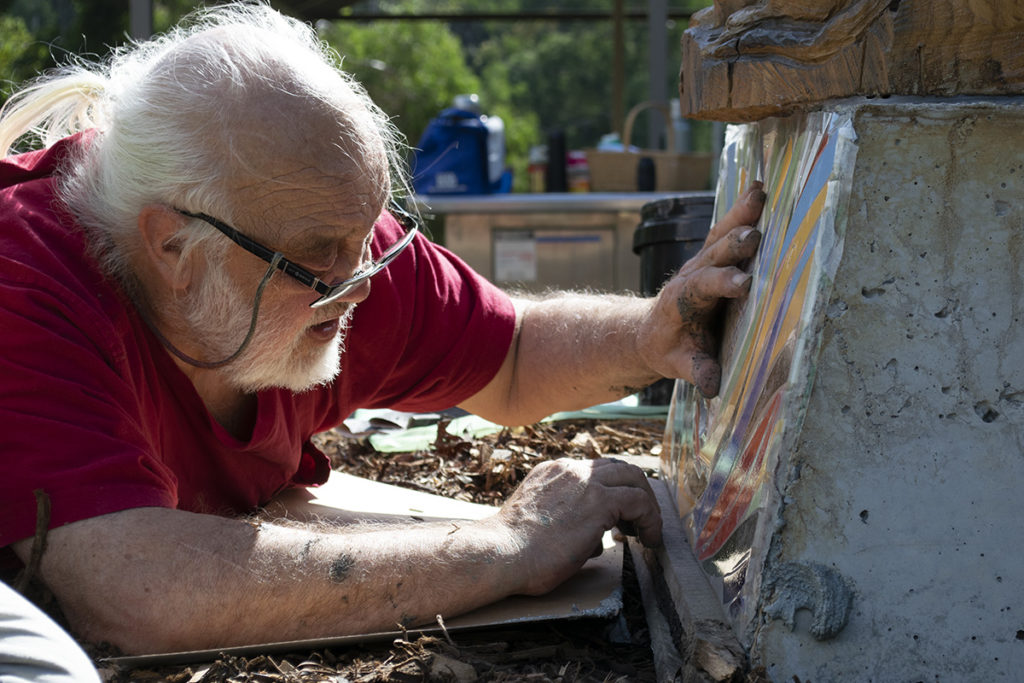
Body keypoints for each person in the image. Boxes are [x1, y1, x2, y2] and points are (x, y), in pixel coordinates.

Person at [0, 2, 765, 656]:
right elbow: (135, 592)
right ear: (171, 246)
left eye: (366, 235)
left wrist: (649, 332)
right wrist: (502, 548)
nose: (362, 284)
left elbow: (514, 353)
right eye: (321, 256)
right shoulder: (25, 283)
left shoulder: (312, 240)